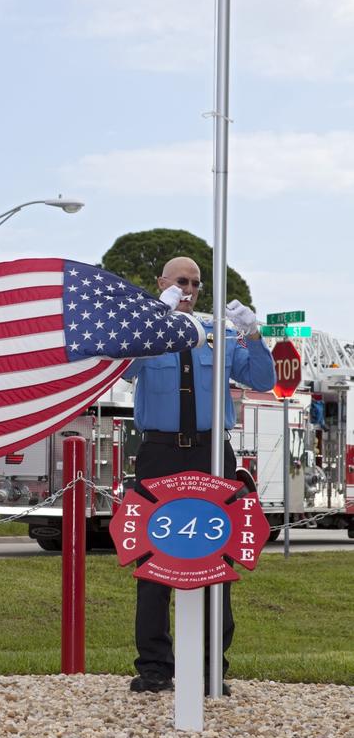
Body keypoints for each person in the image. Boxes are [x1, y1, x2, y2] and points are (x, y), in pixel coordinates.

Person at [124, 256, 276, 695]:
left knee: (217, 559)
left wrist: (252, 334)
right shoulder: (146, 337)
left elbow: (262, 377)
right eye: (180, 282)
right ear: (163, 284)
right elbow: (121, 368)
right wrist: (157, 315)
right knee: (151, 561)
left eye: (194, 283)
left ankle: (213, 667)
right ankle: (154, 666)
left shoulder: (219, 336)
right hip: (160, 453)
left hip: (211, 454)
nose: (189, 289)